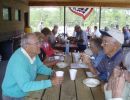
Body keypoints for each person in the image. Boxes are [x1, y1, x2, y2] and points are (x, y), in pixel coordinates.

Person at [2, 33, 63, 100]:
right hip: (13, 95)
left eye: (39, 42)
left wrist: (52, 72)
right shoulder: (18, 60)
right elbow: (25, 86)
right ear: (27, 46)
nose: (40, 45)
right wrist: (51, 82)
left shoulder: (33, 54)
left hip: (26, 91)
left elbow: (40, 67)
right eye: (36, 43)